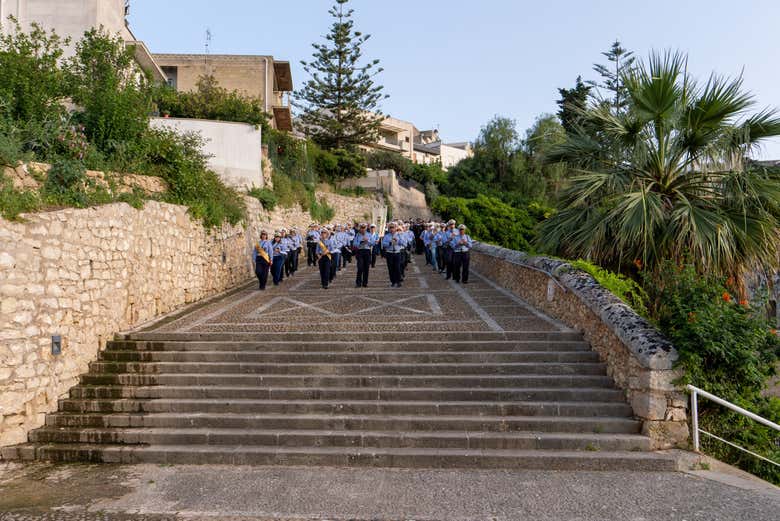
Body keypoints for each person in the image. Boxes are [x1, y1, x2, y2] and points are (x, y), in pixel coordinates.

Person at [352, 222, 376, 288]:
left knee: (366, 268)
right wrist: (360, 242)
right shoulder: (357, 235)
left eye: (364, 228)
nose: (362, 229)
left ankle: (365, 283)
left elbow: (373, 243)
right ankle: (358, 283)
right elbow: (354, 244)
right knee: (360, 267)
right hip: (360, 251)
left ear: (366, 228)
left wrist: (367, 241)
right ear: (360, 228)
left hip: (367, 251)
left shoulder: (369, 234)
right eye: (361, 228)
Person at [381, 222, 404, 288]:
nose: (391, 229)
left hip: (397, 252)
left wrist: (398, 241)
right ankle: (393, 282)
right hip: (389, 253)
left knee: (397, 268)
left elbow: (404, 243)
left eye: (393, 227)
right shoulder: (387, 236)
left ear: (395, 228)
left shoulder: (399, 235)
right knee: (390, 268)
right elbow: (383, 244)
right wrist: (390, 243)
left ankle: (398, 281)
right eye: (390, 228)